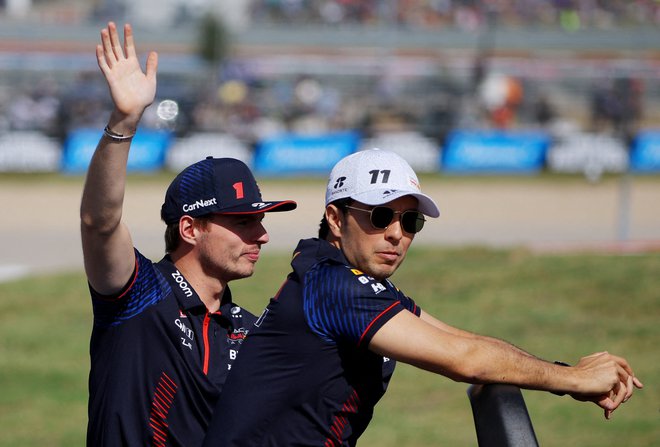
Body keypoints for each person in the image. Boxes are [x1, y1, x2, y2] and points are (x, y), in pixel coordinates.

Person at [202, 148, 643, 446]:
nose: (397, 233)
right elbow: (464, 360)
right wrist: (573, 380)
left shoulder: (347, 281)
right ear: (335, 220)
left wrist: (567, 374)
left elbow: (464, 340)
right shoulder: (334, 286)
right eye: (379, 215)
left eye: (410, 221)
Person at [80, 22, 296, 446]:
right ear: (190, 229)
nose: (262, 236)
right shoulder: (139, 294)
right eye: (242, 223)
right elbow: (99, 223)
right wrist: (123, 121)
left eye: (260, 221)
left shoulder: (252, 333)